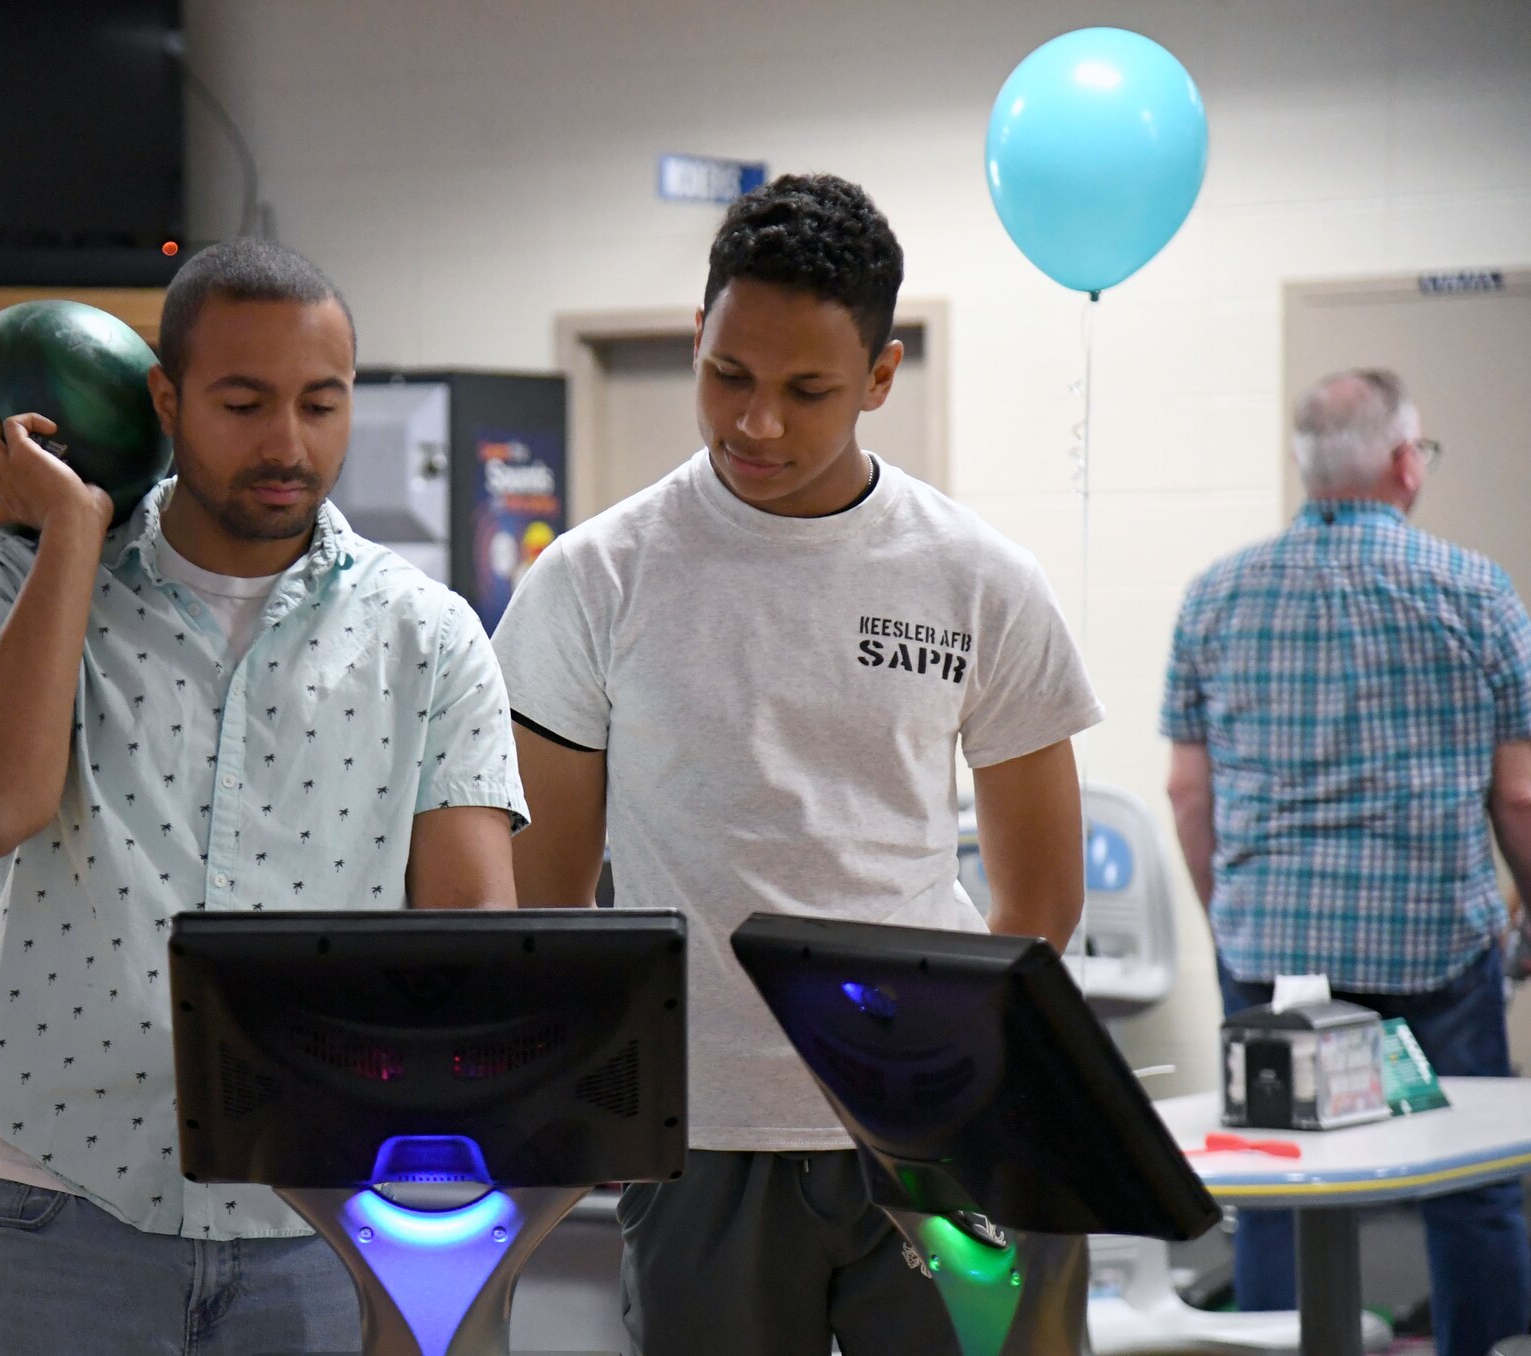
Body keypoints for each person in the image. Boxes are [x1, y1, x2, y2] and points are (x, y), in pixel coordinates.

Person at [492, 172, 1103, 1356]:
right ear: (697, 340)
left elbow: (1039, 905)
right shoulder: (591, 579)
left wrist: (928, 1079)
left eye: (806, 390)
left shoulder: (979, 579)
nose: (755, 423)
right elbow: (546, 914)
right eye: (728, 376)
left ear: (878, 379)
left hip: (940, 1136)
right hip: (706, 1133)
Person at [0, 239, 526, 1356]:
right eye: (242, 403)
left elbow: (469, 939)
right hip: (56, 1200)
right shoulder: (26, 573)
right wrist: (74, 539)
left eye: (319, 404)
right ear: (166, 398)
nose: (287, 444)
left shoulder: (426, 635)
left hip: (318, 1221)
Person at [1162, 368, 1531, 1356]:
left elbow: (1184, 795)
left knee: (1281, 1183)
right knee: (1469, 1186)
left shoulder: (1212, 595)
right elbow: (1521, 796)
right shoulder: (1476, 590)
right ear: (1405, 461)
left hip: (1271, 950)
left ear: (1304, 467)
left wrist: (1226, 924)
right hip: (1433, 945)